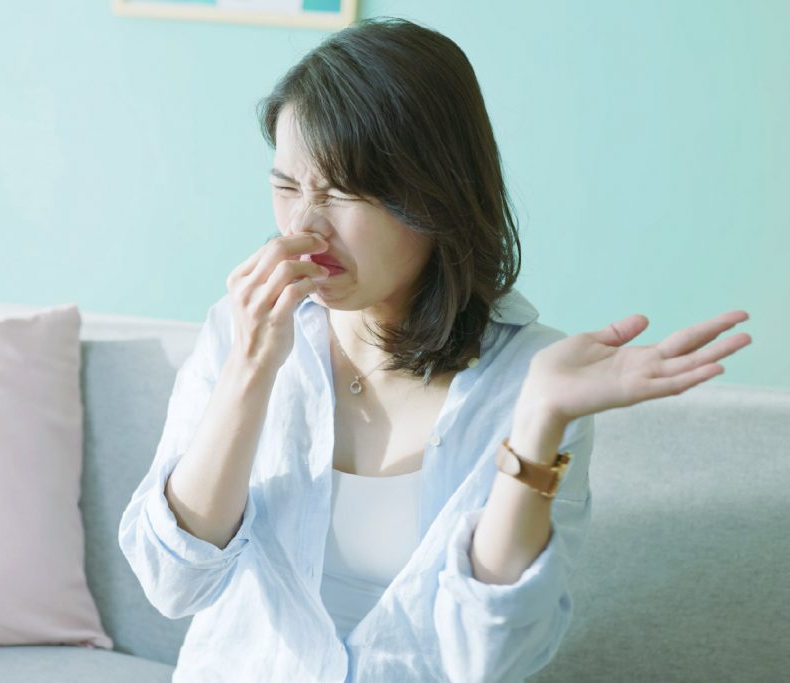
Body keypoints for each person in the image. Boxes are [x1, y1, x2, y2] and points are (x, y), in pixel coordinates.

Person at [118, 16, 752, 682]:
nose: (304, 224)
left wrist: (539, 426)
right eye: (285, 186)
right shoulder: (242, 328)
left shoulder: (533, 381)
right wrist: (250, 368)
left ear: (431, 195)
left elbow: (493, 655)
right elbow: (171, 583)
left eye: (340, 192)